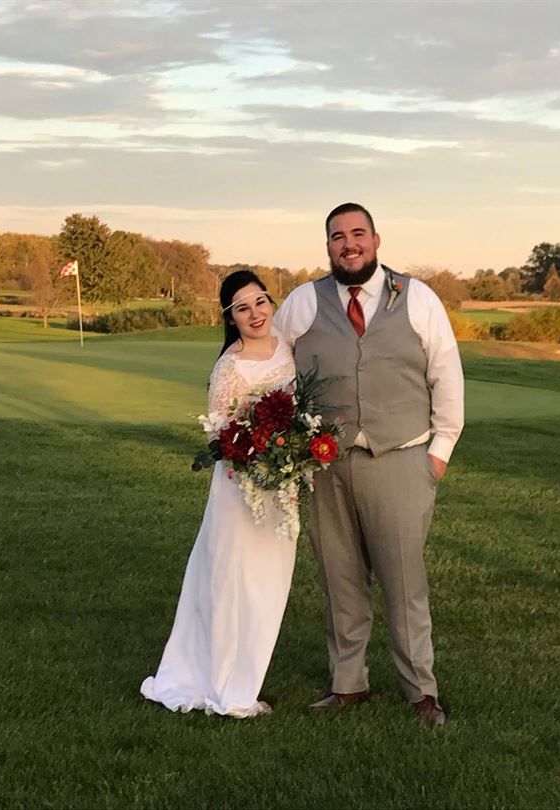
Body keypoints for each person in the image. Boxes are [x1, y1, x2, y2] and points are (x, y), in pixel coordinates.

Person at [272, 203, 464, 727]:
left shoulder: (417, 298)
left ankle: (421, 691)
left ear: (376, 240)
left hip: (401, 460)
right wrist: (289, 448)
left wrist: (438, 455)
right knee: (340, 579)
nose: (348, 244)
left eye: (358, 233)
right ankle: (348, 684)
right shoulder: (303, 302)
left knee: (405, 583)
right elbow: (275, 370)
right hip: (325, 466)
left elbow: (446, 374)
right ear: (328, 246)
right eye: (338, 236)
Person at [140, 270, 297, 718]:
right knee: (234, 582)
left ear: (270, 302)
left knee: (269, 584)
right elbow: (220, 434)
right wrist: (260, 455)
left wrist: (294, 455)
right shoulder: (230, 367)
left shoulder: (288, 347)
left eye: (260, 301)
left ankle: (247, 674)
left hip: (283, 490)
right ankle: (227, 686)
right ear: (231, 318)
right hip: (239, 490)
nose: (255, 313)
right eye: (242, 308)